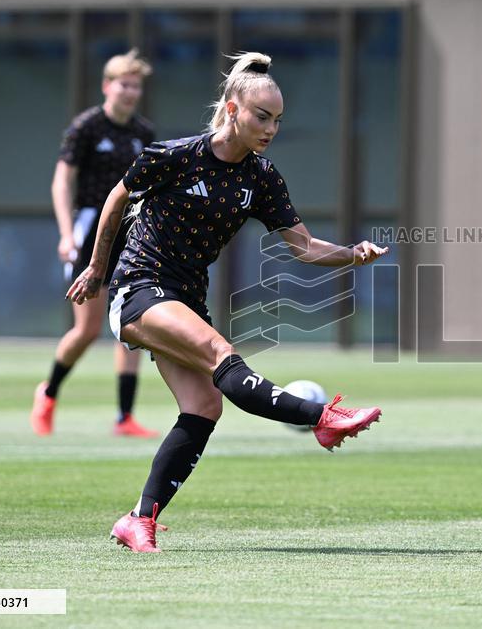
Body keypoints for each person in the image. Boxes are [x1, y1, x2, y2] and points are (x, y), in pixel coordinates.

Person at [66, 52, 388, 553]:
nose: (270, 128)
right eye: (262, 117)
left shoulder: (261, 177)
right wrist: (96, 268)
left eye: (278, 120)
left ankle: (137, 520)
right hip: (138, 286)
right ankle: (322, 417)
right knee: (223, 356)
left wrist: (350, 255)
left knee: (204, 405)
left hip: (186, 296)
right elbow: (115, 199)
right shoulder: (174, 155)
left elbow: (302, 246)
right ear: (233, 109)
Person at [31, 49, 159, 438]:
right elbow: (61, 182)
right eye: (124, 84)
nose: (131, 92)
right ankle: (48, 393)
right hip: (90, 231)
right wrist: (67, 232)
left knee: (130, 325)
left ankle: (124, 417)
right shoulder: (86, 127)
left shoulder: (143, 134)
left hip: (131, 235)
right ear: (107, 86)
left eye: (136, 86)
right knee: (87, 330)